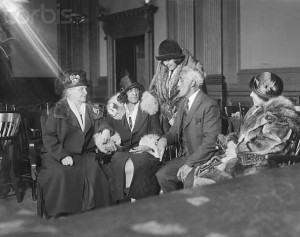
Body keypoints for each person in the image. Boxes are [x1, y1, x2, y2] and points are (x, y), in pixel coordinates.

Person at [194, 72, 300, 187]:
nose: (250, 95)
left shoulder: (280, 116)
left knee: (207, 181)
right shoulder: (257, 111)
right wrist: (230, 141)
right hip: (247, 160)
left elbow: (270, 147)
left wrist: (237, 151)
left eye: (254, 92)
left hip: (266, 166)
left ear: (264, 94)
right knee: (202, 175)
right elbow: (242, 136)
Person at [37, 70, 110, 218]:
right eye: (81, 89)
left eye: (86, 88)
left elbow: (103, 123)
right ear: (69, 92)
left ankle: (92, 213)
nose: (86, 91)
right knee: (61, 173)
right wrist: (62, 155)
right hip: (57, 153)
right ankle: (61, 214)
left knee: (95, 171)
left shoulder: (92, 109)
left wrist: (106, 130)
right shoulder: (57, 110)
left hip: (83, 153)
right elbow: (49, 137)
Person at [94, 75, 163, 203]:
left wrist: (148, 145)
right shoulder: (116, 108)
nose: (134, 93)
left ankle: (139, 202)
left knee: (141, 165)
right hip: (122, 150)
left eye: (136, 89)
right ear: (124, 93)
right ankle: (121, 203)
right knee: (117, 164)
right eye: (130, 90)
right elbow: (107, 123)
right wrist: (105, 131)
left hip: (143, 151)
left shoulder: (148, 107)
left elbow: (157, 131)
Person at [155, 66, 221, 192]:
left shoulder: (209, 104)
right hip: (186, 157)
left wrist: (189, 164)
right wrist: (164, 140)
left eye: (181, 80)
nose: (177, 84)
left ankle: (188, 210)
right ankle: (177, 207)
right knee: (163, 175)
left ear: (192, 83)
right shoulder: (183, 103)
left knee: (189, 181)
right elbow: (174, 131)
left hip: (203, 159)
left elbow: (211, 142)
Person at [149, 39, 206, 132]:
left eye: (168, 60)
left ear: (177, 57)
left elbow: (194, 98)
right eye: (163, 61)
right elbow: (155, 92)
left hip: (185, 121)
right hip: (165, 123)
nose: (165, 63)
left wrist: (175, 116)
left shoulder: (192, 71)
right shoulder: (163, 70)